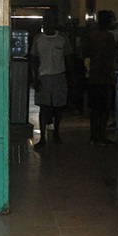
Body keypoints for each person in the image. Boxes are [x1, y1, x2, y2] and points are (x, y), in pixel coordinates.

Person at [30, 10, 72, 149]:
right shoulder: (38, 39)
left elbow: (68, 58)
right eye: (45, 19)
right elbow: (34, 60)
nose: (48, 22)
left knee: (58, 108)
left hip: (59, 76)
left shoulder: (62, 38)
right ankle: (42, 137)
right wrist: (35, 78)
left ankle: (56, 133)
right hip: (44, 77)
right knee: (44, 107)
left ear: (55, 22)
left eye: (50, 19)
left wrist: (70, 78)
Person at [87, 10, 118, 146]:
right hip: (104, 76)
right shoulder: (108, 37)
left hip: (93, 75)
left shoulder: (91, 35)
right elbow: (112, 56)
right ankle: (101, 135)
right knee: (104, 109)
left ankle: (93, 135)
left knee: (94, 109)